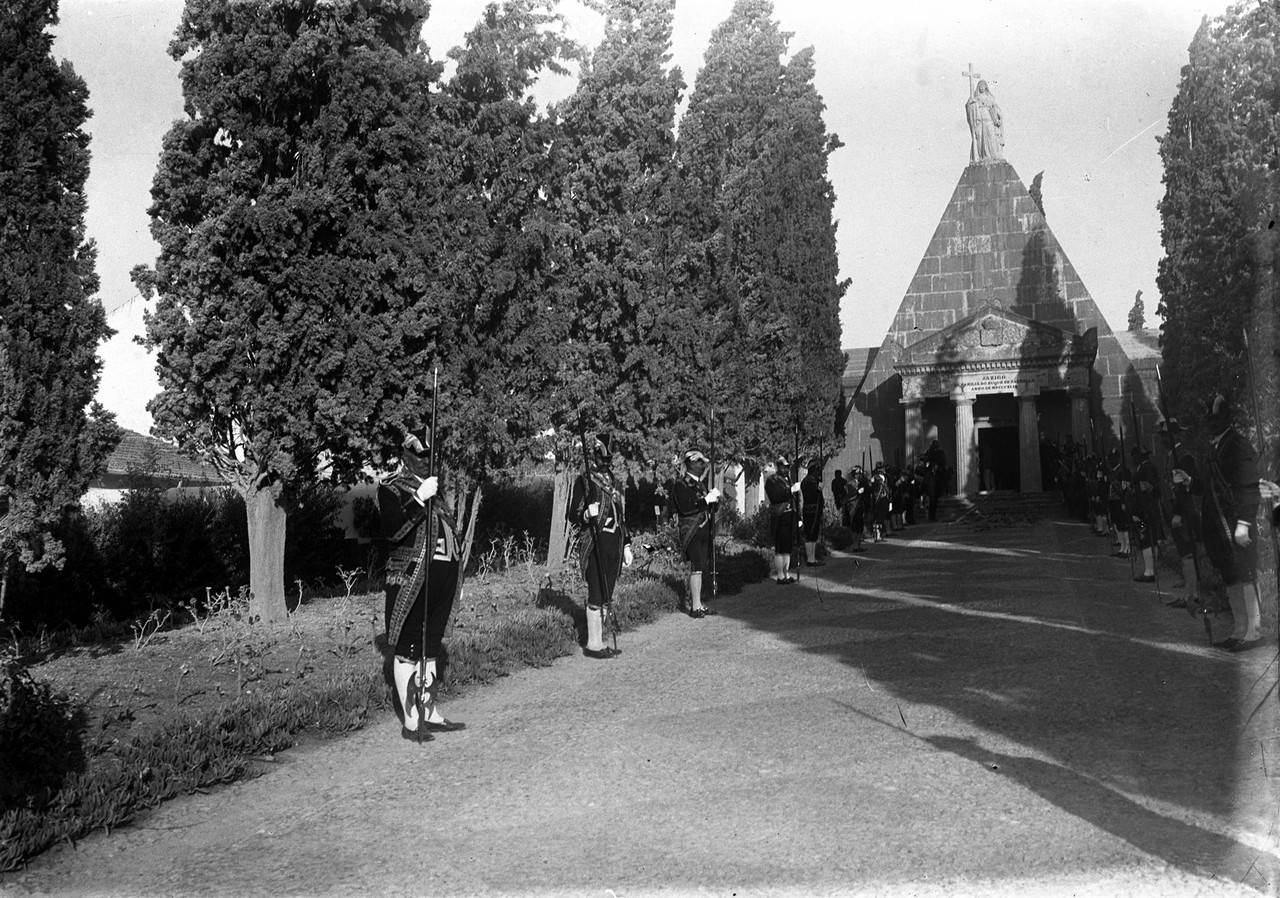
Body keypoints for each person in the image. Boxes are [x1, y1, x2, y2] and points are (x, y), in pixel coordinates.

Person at [379, 433, 465, 742]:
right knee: (409, 648)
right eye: (419, 455)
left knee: (430, 648)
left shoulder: (436, 491)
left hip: (442, 580)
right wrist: (418, 500)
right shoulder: (390, 489)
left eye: (429, 455)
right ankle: (411, 720)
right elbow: (393, 531)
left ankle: (428, 711)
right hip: (412, 578)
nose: (426, 460)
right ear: (405, 455)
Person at [1198, 395, 1263, 650]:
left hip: (1237, 523)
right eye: (1209, 420)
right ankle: (1239, 629)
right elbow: (1209, 487)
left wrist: (1245, 523)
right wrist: (1190, 483)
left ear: (1225, 420)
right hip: (1220, 525)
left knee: (1245, 573)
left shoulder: (1237, 445)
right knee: (1230, 575)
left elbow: (1250, 487)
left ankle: (1255, 632)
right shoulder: (1214, 448)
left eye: (1215, 419)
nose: (1211, 424)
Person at [568, 433, 633, 658]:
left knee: (607, 592)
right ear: (595, 456)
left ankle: (601, 639)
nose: (605, 463)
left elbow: (621, 515)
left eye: (608, 460)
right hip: (594, 543)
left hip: (613, 543)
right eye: (602, 458)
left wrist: (627, 544)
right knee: (596, 591)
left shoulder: (612, 480)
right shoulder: (584, 480)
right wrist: (586, 513)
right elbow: (572, 513)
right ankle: (592, 644)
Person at [670, 448, 721, 618]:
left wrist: (714, 500)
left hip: (704, 530)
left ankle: (698, 603)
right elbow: (686, 508)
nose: (703, 465)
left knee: (700, 568)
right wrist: (705, 500)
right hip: (691, 531)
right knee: (696, 568)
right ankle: (695, 606)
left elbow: (710, 508)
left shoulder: (700, 484)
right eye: (700, 462)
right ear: (691, 464)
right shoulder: (680, 484)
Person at [1160, 418, 1201, 610]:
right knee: (1184, 552)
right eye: (1162, 435)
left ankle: (1193, 595)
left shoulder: (1184, 457)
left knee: (1187, 552)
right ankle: (1190, 592)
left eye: (1166, 434)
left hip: (1184, 512)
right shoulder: (1172, 456)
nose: (1163, 439)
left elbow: (1184, 490)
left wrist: (1177, 514)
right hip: (1176, 511)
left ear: (1175, 435)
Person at [1128, 445, 1163, 583]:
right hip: (1149, 510)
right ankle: (1151, 569)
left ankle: (1149, 572)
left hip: (1144, 512)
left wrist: (1137, 511)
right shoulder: (1148, 468)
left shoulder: (1145, 470)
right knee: (1149, 538)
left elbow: (1144, 493)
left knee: (1145, 538)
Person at [764, 455, 801, 583]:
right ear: (778, 467)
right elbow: (776, 495)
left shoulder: (788, 480)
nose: (787, 469)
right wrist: (790, 490)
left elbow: (795, 500)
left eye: (788, 467)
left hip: (790, 515)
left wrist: (798, 517)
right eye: (784, 467)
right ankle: (780, 576)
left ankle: (787, 574)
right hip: (780, 516)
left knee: (788, 547)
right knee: (780, 547)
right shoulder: (772, 480)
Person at [965, 79, 1003, 162]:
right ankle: (984, 156)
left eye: (983, 86)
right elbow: (969, 107)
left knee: (992, 137)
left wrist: (998, 117)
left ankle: (994, 155)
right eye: (980, 86)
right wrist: (971, 104)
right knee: (981, 138)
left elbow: (995, 108)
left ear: (986, 87)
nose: (982, 88)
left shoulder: (990, 97)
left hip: (990, 120)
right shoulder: (975, 97)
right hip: (980, 121)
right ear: (978, 87)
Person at [1106, 448, 1132, 559]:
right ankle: (1122, 546)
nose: (1111, 461)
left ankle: (1128, 548)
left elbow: (1124, 489)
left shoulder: (1123, 471)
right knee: (1117, 522)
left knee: (1123, 524)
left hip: (1120, 500)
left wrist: (1123, 502)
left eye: (1113, 458)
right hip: (1113, 501)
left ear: (1118, 458)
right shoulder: (1112, 472)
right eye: (1110, 458)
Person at [800, 461, 826, 566]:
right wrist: (819, 487)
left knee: (813, 534)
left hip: (814, 510)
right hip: (812, 510)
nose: (818, 472)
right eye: (817, 470)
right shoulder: (808, 481)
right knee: (810, 534)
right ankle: (810, 559)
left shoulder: (812, 480)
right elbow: (812, 495)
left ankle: (813, 558)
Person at [923, 440, 948, 521]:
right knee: (931, 504)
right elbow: (926, 483)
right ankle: (931, 516)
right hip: (931, 492)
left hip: (936, 490)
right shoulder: (929, 474)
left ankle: (932, 516)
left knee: (934, 504)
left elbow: (944, 462)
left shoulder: (940, 453)